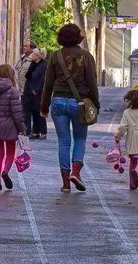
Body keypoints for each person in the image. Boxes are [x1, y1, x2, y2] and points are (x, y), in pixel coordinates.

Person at [40, 23, 99, 193]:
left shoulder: (55, 56)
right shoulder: (86, 56)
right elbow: (92, 83)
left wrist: (44, 105)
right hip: (79, 102)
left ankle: (66, 182)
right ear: (78, 37)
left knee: (64, 142)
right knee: (80, 139)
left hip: (58, 101)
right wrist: (95, 103)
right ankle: (76, 172)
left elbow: (48, 83)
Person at [22, 48, 48, 139]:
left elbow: (43, 80)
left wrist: (37, 90)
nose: (32, 54)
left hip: (37, 92)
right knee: (32, 111)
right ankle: (35, 132)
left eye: (34, 53)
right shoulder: (33, 64)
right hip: (29, 90)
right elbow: (27, 76)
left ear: (39, 56)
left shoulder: (45, 65)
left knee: (39, 112)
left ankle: (43, 132)